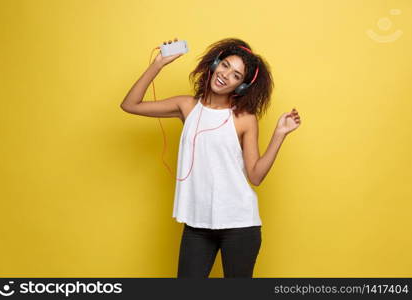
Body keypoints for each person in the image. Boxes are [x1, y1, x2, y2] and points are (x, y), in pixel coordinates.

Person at [120, 37, 301, 278]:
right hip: (197, 224)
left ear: (242, 86)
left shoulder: (244, 119)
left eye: (236, 75)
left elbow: (255, 176)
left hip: (240, 224)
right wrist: (159, 64)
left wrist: (279, 134)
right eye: (225, 65)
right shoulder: (187, 106)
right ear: (215, 63)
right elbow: (130, 104)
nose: (226, 75)